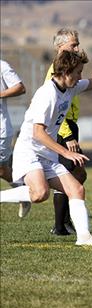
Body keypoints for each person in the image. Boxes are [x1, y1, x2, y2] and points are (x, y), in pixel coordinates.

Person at [0, 36, 92, 246]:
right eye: (77, 73)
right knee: (40, 194)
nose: (80, 77)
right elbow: (38, 133)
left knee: (77, 189)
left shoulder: (70, 87)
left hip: (46, 152)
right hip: (29, 151)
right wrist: (67, 153)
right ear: (65, 72)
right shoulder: (47, 94)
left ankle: (84, 238)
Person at [44, 28, 83, 236]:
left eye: (77, 44)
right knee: (68, 174)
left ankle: (64, 221)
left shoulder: (71, 67)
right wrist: (67, 135)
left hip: (69, 126)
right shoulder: (57, 71)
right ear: (60, 47)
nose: (77, 48)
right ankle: (60, 225)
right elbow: (56, 108)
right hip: (63, 128)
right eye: (73, 45)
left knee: (78, 173)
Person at [0, 60, 30, 217]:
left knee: (1, 170)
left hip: (1, 129)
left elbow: (20, 88)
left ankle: (22, 192)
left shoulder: (2, 66)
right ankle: (22, 190)